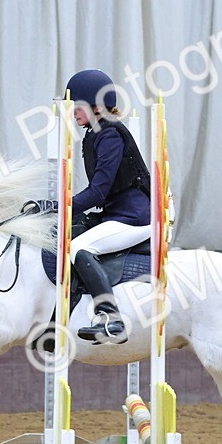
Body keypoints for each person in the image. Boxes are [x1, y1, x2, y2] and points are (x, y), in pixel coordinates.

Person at [63, 69, 152, 344]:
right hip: (117, 213)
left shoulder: (109, 133)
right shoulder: (95, 133)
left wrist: (63, 206)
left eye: (77, 106)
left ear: (97, 107)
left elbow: (98, 192)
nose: (73, 112)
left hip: (134, 217)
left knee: (78, 248)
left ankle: (111, 317)